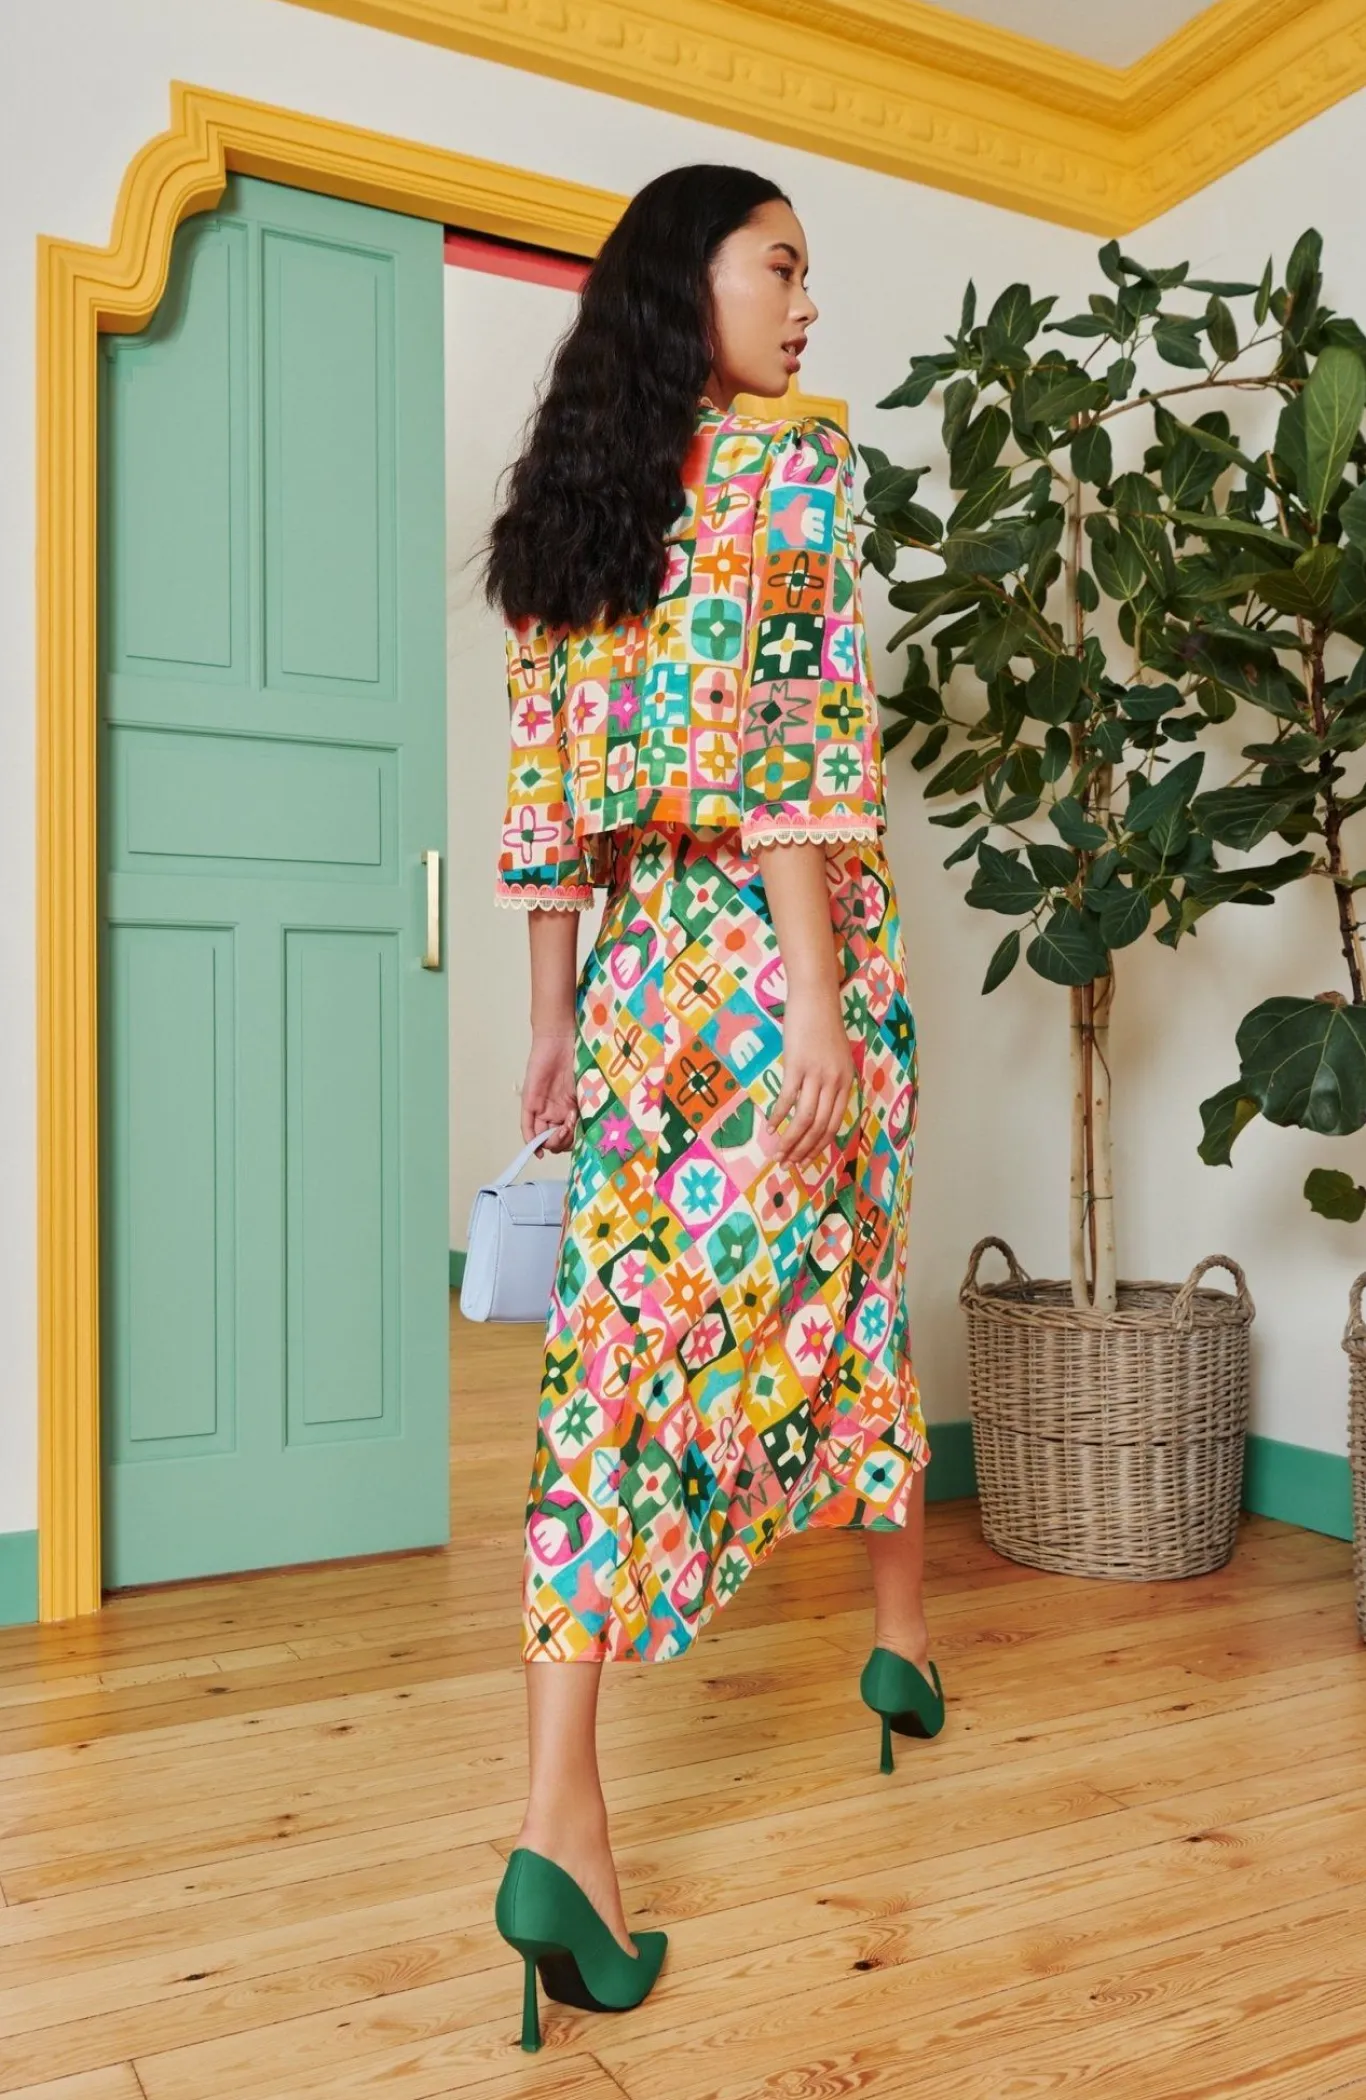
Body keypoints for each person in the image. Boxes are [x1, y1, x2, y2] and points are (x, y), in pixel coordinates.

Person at [479, 163, 943, 2055]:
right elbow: (795, 750)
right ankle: (892, 1647)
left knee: (615, 1359)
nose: (809, 303)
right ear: (694, 282)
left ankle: (564, 1818)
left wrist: (551, 1024)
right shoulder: (783, 469)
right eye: (782, 266)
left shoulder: (562, 510)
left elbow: (543, 808)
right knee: (845, 1284)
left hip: (638, 986)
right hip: (778, 964)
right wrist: (817, 1002)